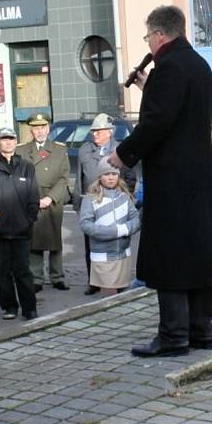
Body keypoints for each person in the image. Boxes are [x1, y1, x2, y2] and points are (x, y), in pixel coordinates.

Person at [111, 5, 212, 357]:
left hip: (172, 179)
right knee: (198, 252)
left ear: (160, 35)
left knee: (171, 256)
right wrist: (151, 88)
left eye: (148, 36)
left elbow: (157, 124)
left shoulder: (168, 67)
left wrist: (123, 154)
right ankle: (201, 331)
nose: (148, 42)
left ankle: (174, 336)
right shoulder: (198, 64)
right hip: (197, 176)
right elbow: (180, 113)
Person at [74, 113, 136, 296]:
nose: (94, 134)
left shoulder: (120, 149)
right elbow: (79, 179)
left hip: (117, 202)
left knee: (119, 244)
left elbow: (130, 176)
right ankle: (93, 281)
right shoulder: (84, 150)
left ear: (109, 132)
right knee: (91, 246)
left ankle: (120, 280)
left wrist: (125, 197)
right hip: (92, 204)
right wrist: (78, 204)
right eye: (93, 131)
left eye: (98, 131)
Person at [0, 126, 40, 320]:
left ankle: (29, 308)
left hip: (23, 229)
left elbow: (33, 195)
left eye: (11, 139)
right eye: (4, 139)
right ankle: (9, 307)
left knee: (23, 271)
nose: (7, 142)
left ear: (16, 142)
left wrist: (29, 219)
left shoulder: (27, 165)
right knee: (2, 272)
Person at [20, 114, 71, 292]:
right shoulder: (22, 150)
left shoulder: (58, 149)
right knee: (34, 240)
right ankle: (36, 278)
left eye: (43, 127)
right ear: (31, 130)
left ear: (48, 129)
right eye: (36, 128)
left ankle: (58, 276)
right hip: (32, 198)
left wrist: (50, 197)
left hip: (53, 199)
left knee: (55, 240)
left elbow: (64, 177)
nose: (40, 131)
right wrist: (33, 198)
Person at [78, 159, 141, 297]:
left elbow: (136, 219)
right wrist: (113, 231)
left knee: (122, 294)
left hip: (123, 255)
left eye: (114, 174)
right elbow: (85, 224)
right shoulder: (91, 198)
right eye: (107, 174)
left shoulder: (125, 197)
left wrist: (125, 229)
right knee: (108, 295)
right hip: (103, 256)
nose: (111, 177)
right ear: (100, 176)